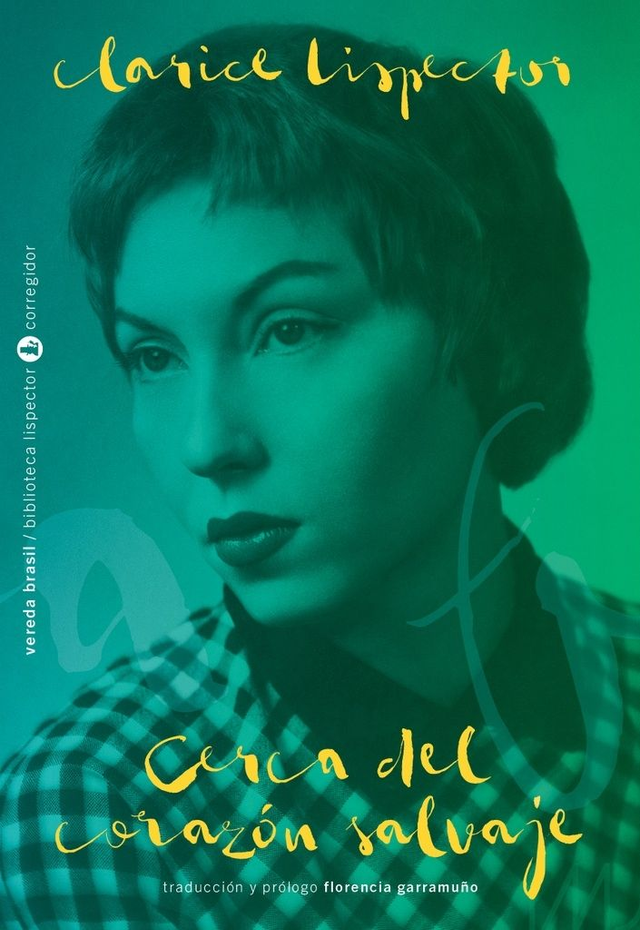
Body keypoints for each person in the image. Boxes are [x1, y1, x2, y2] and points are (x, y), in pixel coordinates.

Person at [1, 23, 639, 930]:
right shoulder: (96, 806)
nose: (206, 443)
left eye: (288, 330)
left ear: (489, 333)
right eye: (153, 355)